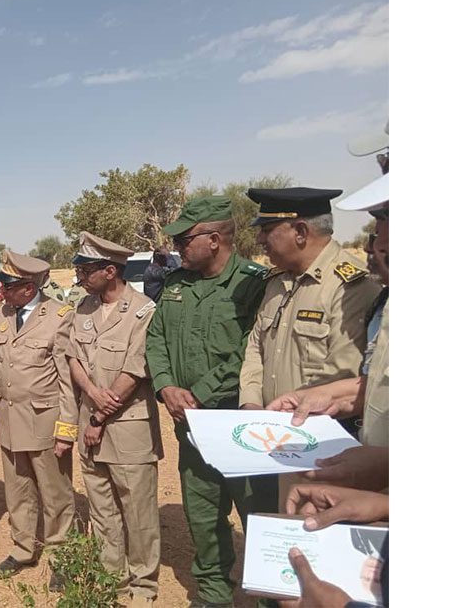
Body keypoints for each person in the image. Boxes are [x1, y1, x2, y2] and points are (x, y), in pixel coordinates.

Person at [144, 196, 269, 608]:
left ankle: (271, 597)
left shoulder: (253, 284)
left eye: (185, 240)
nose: (177, 247)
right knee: (203, 514)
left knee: (259, 515)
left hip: (241, 428)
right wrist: (166, 386)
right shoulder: (176, 284)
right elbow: (156, 339)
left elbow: (251, 352)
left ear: (214, 239)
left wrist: (199, 392)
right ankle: (214, 595)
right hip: (192, 427)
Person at [238, 187, 384, 515]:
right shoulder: (277, 283)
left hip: (317, 451)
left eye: (266, 230)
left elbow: (346, 373)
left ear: (301, 232)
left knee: (302, 528)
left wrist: (285, 422)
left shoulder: (350, 287)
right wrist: (251, 403)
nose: (259, 240)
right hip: (267, 438)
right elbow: (256, 347)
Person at [65, 232, 163, 608]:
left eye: (85, 270)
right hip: (89, 422)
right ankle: (113, 578)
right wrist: (92, 394)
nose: (79, 277)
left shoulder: (143, 310)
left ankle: (143, 584)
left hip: (127, 427)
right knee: (102, 506)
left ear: (110, 271)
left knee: (137, 510)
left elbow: (135, 371)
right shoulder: (83, 308)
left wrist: (99, 415)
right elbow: (74, 357)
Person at [0, 249, 78, 590]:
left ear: (28, 288)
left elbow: (67, 380)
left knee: (55, 494)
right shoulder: (0, 315)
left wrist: (66, 429)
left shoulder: (60, 316)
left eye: (7, 286)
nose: (1, 292)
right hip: (9, 420)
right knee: (18, 490)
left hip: (44, 422)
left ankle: (62, 556)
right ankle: (24, 549)